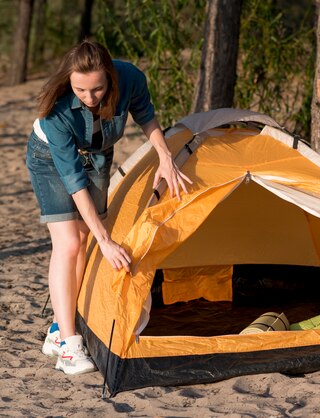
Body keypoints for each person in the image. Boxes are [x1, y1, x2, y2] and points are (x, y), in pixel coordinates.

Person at [26, 40, 192, 375]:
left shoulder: (129, 77)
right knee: (70, 242)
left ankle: (59, 328)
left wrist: (165, 156)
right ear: (69, 82)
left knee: (86, 236)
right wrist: (107, 240)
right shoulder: (57, 111)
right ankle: (69, 345)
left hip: (99, 155)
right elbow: (73, 180)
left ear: (111, 77)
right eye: (81, 91)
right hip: (50, 160)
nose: (90, 98)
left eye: (98, 89)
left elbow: (146, 116)